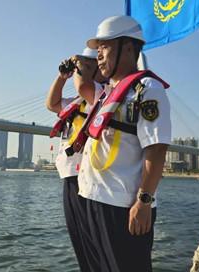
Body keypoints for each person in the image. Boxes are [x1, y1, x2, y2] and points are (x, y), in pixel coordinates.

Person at [75, 15, 172, 272]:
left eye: (105, 47)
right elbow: (82, 85)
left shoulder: (147, 89)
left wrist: (144, 201)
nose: (99, 55)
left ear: (128, 48)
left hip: (122, 207)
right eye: (98, 49)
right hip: (91, 198)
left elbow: (156, 148)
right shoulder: (107, 92)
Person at [45, 47, 104, 272]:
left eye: (88, 65)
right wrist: (62, 77)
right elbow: (51, 104)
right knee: (79, 238)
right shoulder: (76, 102)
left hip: (88, 177)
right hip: (70, 177)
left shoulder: (102, 95)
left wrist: (80, 68)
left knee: (93, 239)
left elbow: (83, 85)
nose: (80, 70)